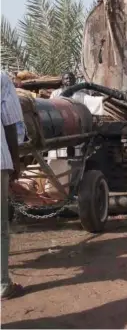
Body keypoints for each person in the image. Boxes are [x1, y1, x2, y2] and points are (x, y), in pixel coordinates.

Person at [2, 71, 25, 299]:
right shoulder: (1, 78)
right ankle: (2, 285)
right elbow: (11, 124)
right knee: (0, 227)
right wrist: (15, 161)